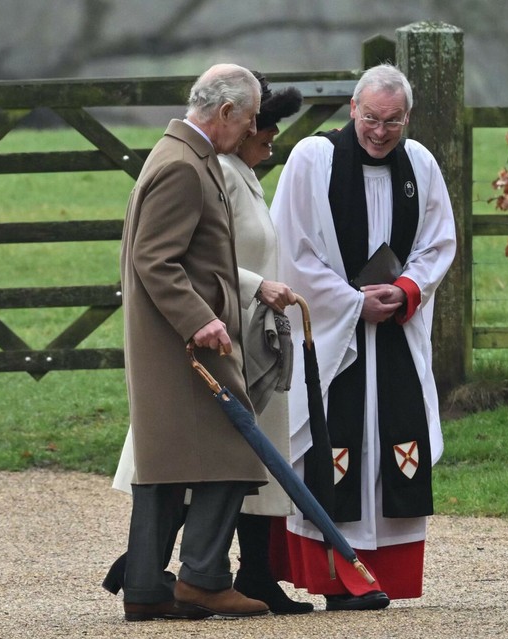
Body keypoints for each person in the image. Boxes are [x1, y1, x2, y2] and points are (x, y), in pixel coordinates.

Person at [104, 72, 312, 615]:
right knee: (235, 451)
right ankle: (203, 576)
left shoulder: (181, 155)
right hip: (186, 344)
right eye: (248, 121)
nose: (251, 132)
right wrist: (199, 319)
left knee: (165, 467)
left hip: (176, 343)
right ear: (224, 111)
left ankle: (147, 587)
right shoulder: (182, 166)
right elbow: (153, 258)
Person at [268, 63, 457, 611]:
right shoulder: (313, 159)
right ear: (352, 110)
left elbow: (438, 243)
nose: (380, 131)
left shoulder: (419, 164)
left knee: (391, 450)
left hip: (393, 334)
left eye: (393, 120)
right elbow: (293, 249)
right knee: (335, 445)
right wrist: (352, 302)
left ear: (407, 118)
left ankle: (386, 576)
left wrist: (404, 289)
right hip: (335, 338)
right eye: (371, 118)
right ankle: (334, 577)